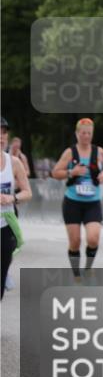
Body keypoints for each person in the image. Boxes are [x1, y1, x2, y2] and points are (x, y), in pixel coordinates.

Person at [51, 118, 103, 283]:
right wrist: (71, 172)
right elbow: (55, 172)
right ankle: (76, 273)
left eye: (89, 133)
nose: (86, 136)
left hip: (93, 202)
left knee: (93, 238)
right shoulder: (70, 152)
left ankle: (88, 267)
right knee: (75, 241)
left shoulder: (99, 151)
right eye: (83, 133)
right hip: (73, 202)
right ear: (77, 134)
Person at [1, 117, 32, 300]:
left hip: (6, 226)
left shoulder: (14, 163)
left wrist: (12, 198)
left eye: (4, 132)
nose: (1, 136)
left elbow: (27, 192)